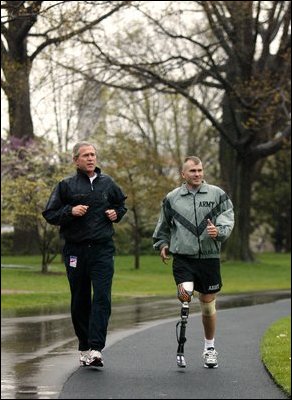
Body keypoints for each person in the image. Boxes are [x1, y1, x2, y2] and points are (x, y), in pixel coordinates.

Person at [42, 141, 127, 368]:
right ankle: (84, 347)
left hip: (102, 249)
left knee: (101, 297)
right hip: (76, 251)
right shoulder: (66, 185)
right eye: (86, 155)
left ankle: (96, 348)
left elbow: (121, 206)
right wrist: (70, 211)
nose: (91, 158)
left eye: (93, 155)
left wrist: (115, 214)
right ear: (76, 160)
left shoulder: (107, 183)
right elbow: (49, 213)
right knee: (80, 299)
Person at [152, 156, 234, 369]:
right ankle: (181, 347)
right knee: (185, 295)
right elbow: (163, 225)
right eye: (192, 171)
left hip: (209, 258)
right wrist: (162, 243)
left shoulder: (217, 195)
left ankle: (209, 348)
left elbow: (227, 216)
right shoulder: (172, 198)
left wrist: (219, 231)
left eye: (199, 170)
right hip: (183, 258)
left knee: (207, 305)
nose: (197, 174)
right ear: (183, 174)